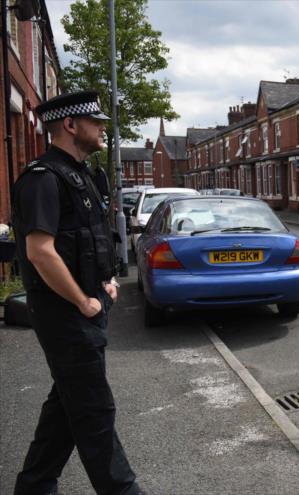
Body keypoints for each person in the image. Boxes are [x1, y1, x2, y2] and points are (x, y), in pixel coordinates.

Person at [12, 91, 142, 494]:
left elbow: (84, 239)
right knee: (94, 410)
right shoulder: (43, 178)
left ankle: (34, 485)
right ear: (70, 125)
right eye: (96, 121)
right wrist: (82, 300)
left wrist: (102, 282)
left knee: (67, 405)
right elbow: (40, 251)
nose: (103, 127)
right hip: (64, 313)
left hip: (85, 308)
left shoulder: (80, 175)